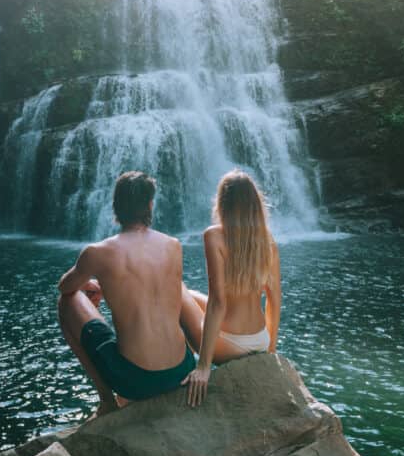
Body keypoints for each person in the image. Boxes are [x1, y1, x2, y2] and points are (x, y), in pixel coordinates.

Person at [57, 171, 196, 416]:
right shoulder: (173, 245)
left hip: (136, 381)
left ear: (115, 206)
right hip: (182, 369)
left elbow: (65, 287)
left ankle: (106, 401)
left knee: (67, 301)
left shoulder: (97, 253)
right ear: (150, 204)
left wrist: (93, 283)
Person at [180, 170, 281, 407]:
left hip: (229, 346)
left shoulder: (214, 236)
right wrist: (270, 350)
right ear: (255, 203)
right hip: (259, 340)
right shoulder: (267, 239)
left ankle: (181, 372)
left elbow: (218, 302)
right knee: (190, 294)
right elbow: (275, 299)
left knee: (175, 291)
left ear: (222, 203)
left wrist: (204, 366)